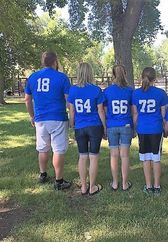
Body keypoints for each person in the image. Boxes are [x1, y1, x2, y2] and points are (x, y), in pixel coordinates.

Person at [25, 51, 72, 190]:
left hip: (40, 118)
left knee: (43, 148)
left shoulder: (33, 77)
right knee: (58, 149)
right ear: (55, 61)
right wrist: (73, 114)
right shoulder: (62, 77)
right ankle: (59, 181)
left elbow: (27, 99)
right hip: (57, 117)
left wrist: (32, 116)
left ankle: (43, 174)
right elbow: (68, 100)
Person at [68, 63, 106, 196]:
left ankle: (84, 186)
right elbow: (101, 110)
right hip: (94, 126)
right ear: (90, 73)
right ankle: (93, 186)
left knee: (82, 156)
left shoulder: (72, 90)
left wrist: (72, 124)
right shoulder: (96, 90)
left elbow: (71, 110)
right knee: (94, 156)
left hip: (80, 126)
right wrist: (104, 127)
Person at [132, 67, 168, 195]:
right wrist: (165, 129)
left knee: (145, 158)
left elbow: (135, 114)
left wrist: (134, 127)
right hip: (155, 129)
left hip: (142, 129)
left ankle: (148, 186)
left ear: (142, 77)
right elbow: (164, 114)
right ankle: (157, 186)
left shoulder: (136, 93)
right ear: (155, 79)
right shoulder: (160, 93)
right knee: (156, 158)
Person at [104, 65, 133, 191]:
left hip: (112, 125)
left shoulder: (107, 91)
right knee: (125, 155)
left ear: (113, 75)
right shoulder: (130, 91)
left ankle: (115, 183)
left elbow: (105, 111)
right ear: (125, 74)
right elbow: (133, 111)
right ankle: (125, 183)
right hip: (126, 124)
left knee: (114, 155)